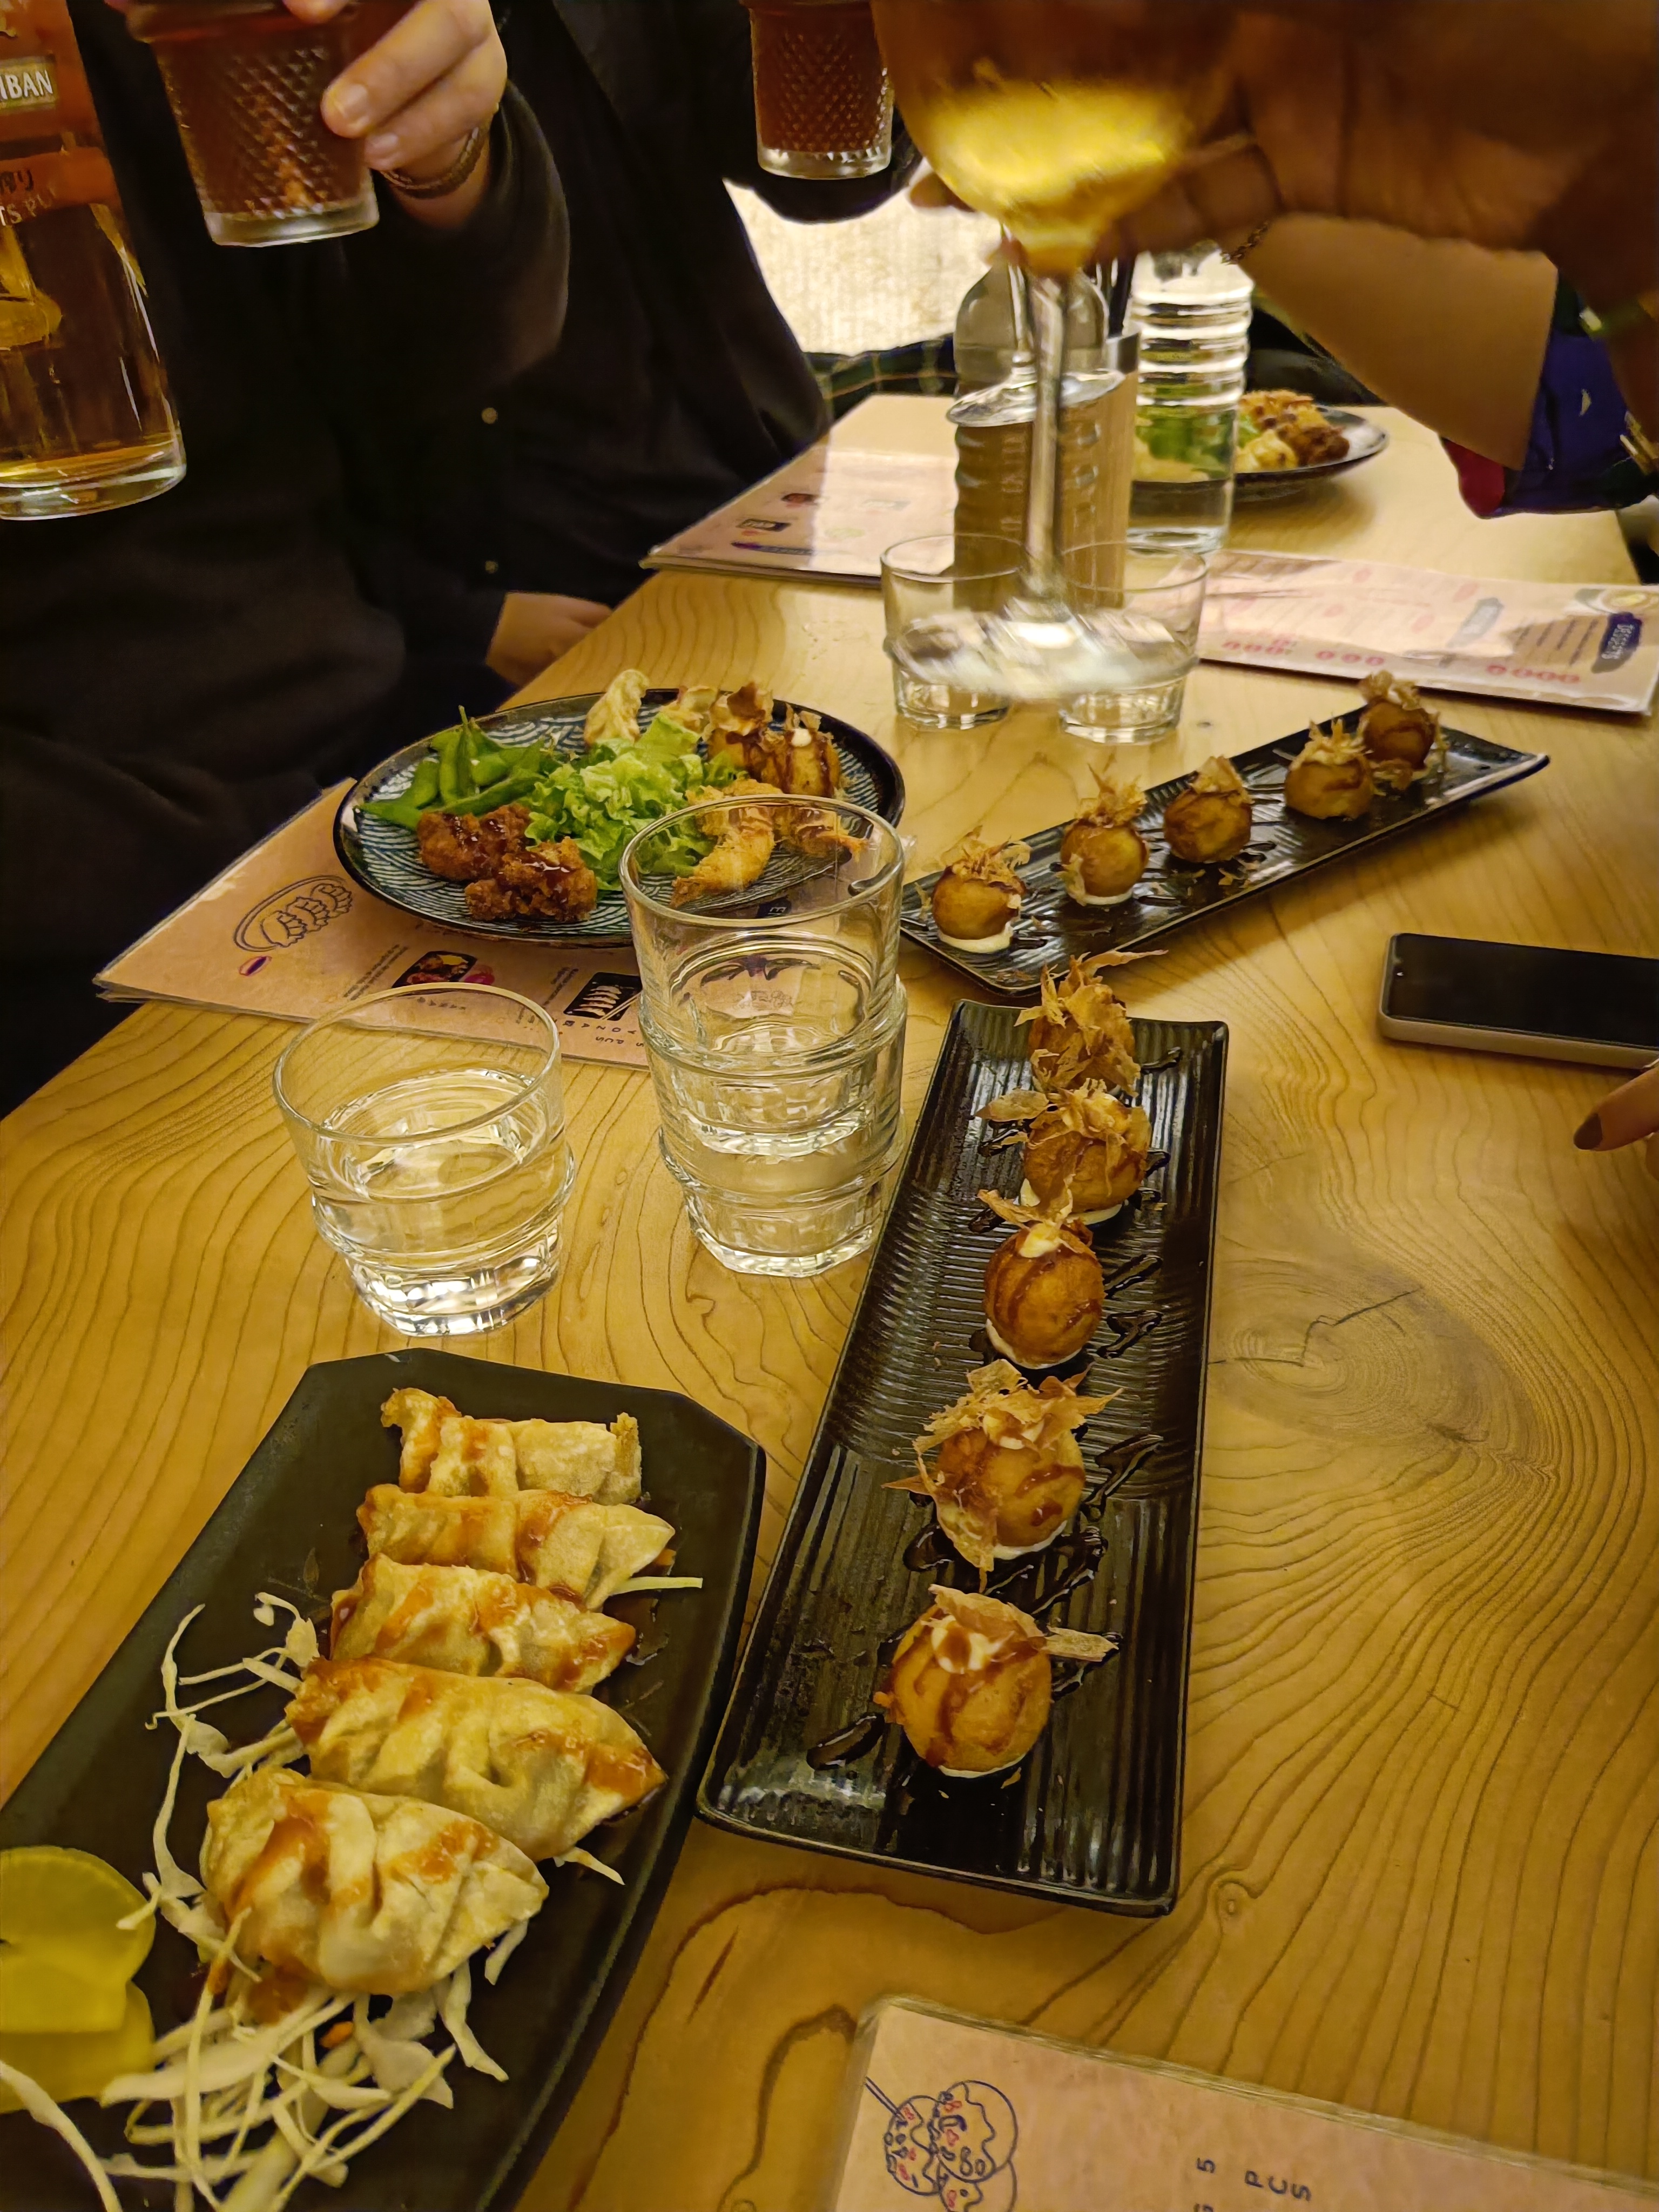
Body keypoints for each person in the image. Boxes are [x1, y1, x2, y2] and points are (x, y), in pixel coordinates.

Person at [0, 0, 569, 1112]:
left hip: (366, 783)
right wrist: (273, 850)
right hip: (79, 943)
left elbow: (432, 367)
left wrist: (440, 158)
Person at [349, 0, 923, 694]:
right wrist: (461, 618)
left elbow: (820, 167)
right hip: (501, 582)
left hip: (737, 495)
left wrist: (890, 32)